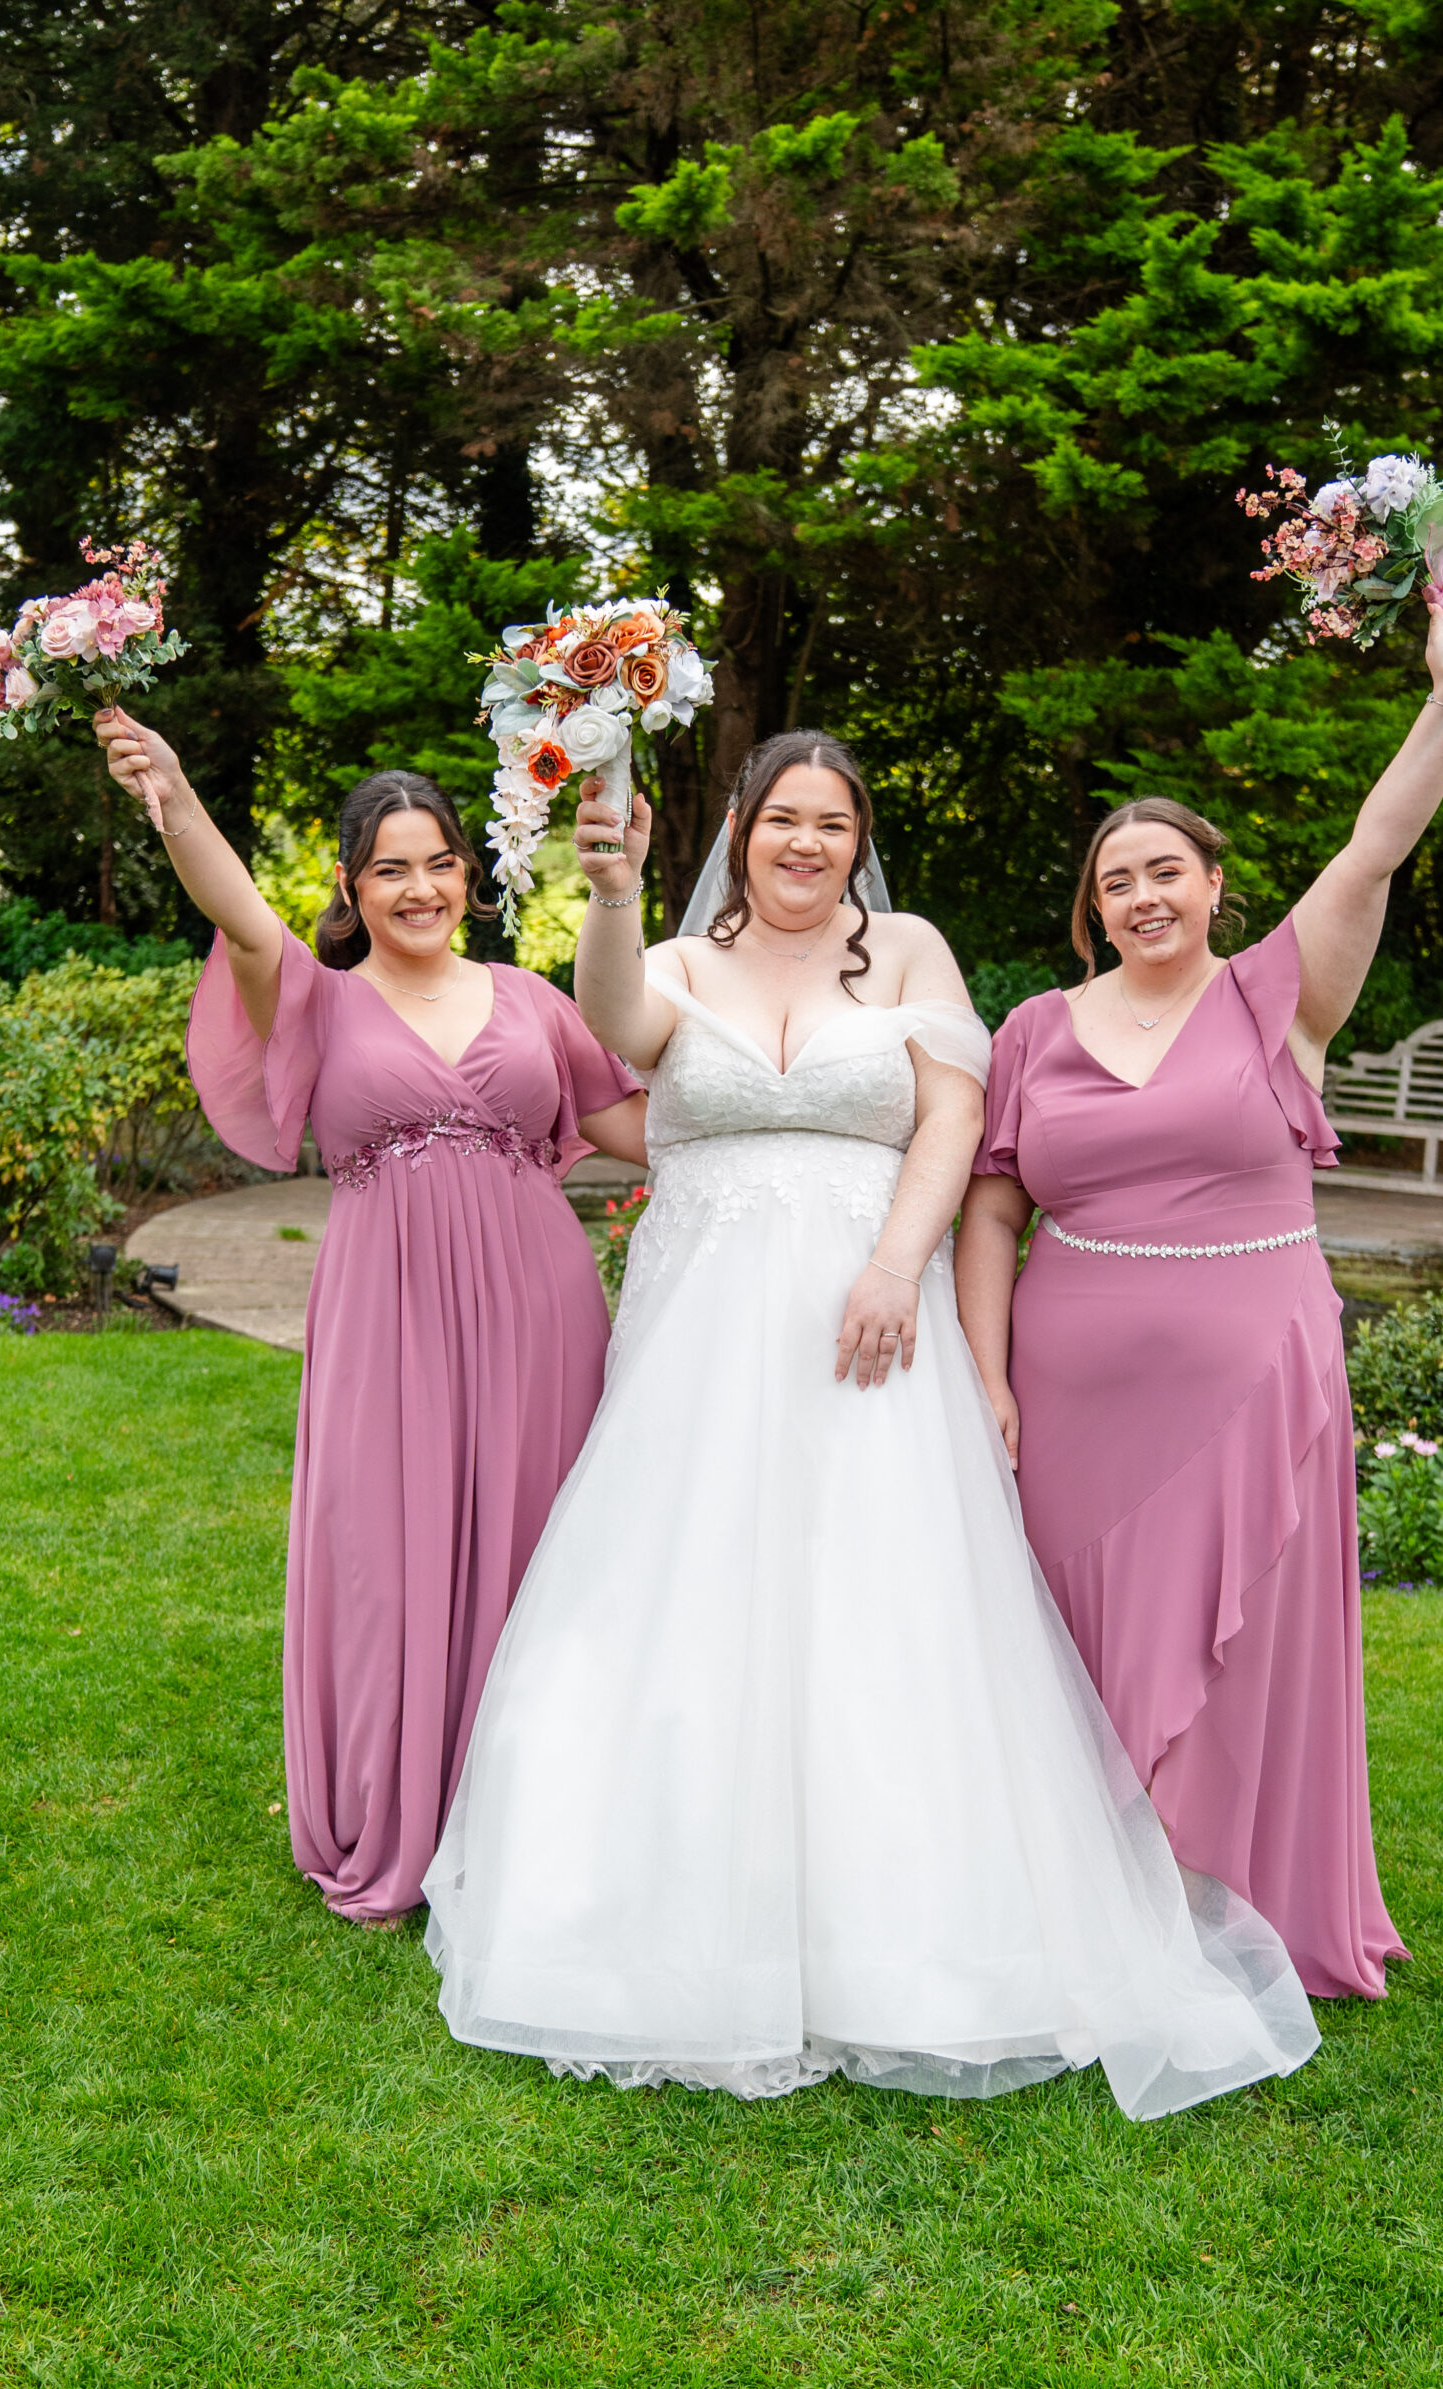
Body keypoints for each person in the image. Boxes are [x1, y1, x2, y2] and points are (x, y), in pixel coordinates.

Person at [420, 729, 1319, 2115]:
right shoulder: (674, 961)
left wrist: (899, 1269)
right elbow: (617, 1029)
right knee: (680, 1591)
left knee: (880, 1602)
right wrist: (607, 888)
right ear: (738, 827)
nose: (804, 845)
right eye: (781, 820)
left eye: (830, 825)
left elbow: (953, 1122)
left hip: (866, 1311)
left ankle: (903, 1932)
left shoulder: (906, 951)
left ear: (857, 840)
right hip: (702, 1328)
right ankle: (655, 1909)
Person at [956, 596, 1443, 2000]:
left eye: (1164, 871)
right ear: (1092, 907)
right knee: (1074, 1639)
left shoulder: (1280, 1001)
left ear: (1212, 884)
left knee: (1249, 1648)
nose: (1140, 895)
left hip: (1252, 1378)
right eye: (1114, 880)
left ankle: (1245, 1907)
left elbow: (1374, 850)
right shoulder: (1032, 1030)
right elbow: (991, 1202)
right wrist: (985, 1371)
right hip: (1070, 1394)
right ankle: (1090, 1904)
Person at [93, 709, 645, 1922]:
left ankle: (533, 1822)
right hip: (385, 1307)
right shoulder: (313, 999)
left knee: (540, 1538)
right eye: (390, 867)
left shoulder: (534, 1002)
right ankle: (398, 1810)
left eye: (439, 861)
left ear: (469, 873)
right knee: (387, 1551)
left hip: (539, 1305)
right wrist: (174, 793)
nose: (420, 887)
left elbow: (640, 1129)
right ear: (349, 886)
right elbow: (235, 907)